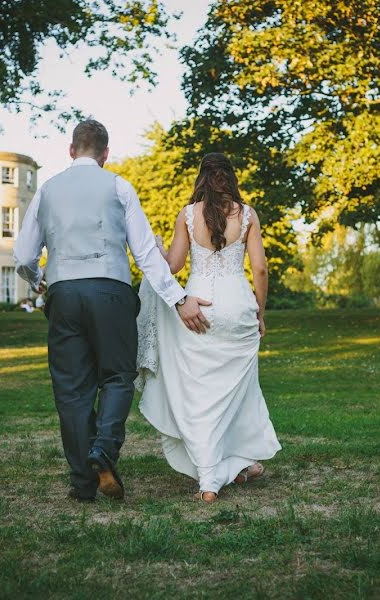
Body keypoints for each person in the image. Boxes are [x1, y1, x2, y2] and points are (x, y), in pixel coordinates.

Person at [14, 119, 211, 503]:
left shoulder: (47, 190)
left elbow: (23, 255)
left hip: (64, 292)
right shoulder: (119, 186)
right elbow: (146, 255)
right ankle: (103, 449)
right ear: (105, 154)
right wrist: (178, 297)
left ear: (71, 150)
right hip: (112, 291)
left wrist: (39, 278)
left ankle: (82, 484)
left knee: (72, 390)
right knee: (118, 376)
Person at [136, 152, 281, 503]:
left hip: (197, 308)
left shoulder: (188, 215)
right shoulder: (248, 215)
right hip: (238, 308)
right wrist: (259, 312)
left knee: (199, 395)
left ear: (201, 178)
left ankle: (210, 480)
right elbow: (260, 270)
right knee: (236, 394)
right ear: (231, 177)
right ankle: (234, 464)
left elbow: (172, 266)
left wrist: (153, 249)